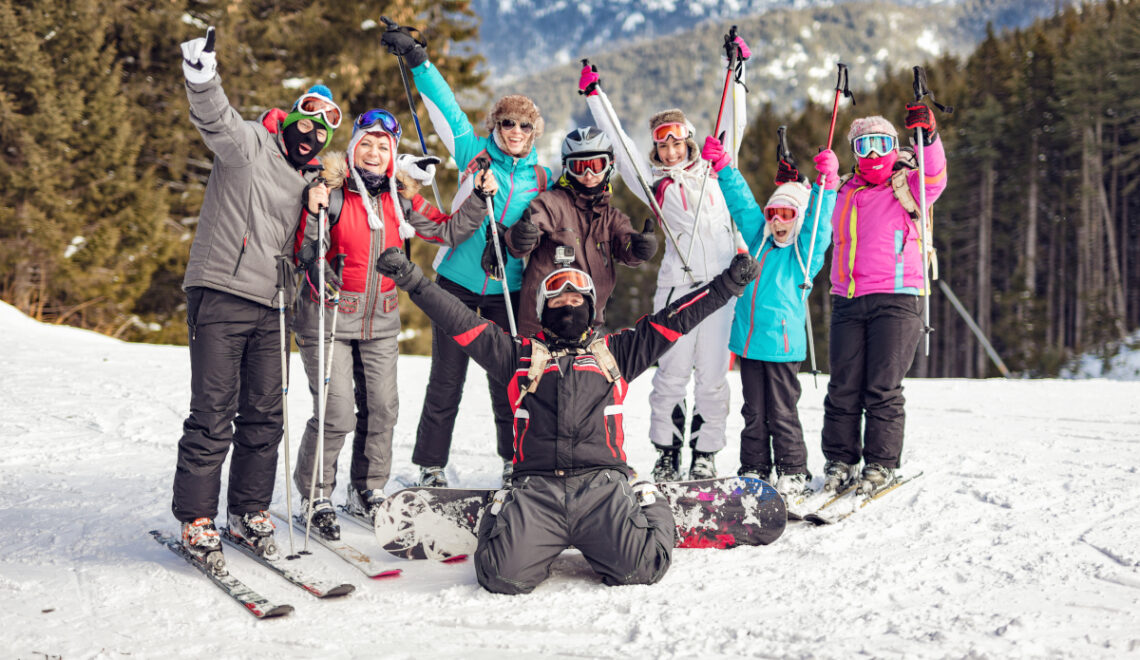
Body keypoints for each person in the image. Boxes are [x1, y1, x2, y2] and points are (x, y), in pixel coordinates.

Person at [375, 246, 760, 595]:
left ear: (591, 308)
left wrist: (727, 285)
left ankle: (645, 498)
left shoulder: (617, 353)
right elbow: (459, 320)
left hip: (602, 487)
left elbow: (676, 319)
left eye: (577, 298)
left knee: (643, 568)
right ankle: (505, 508)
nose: (568, 304)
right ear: (543, 311)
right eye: (558, 299)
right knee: (499, 576)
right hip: (537, 489)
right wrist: (412, 278)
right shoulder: (517, 356)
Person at [171, 28, 339, 563]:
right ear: (289, 118)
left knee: (265, 414)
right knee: (213, 412)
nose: (311, 136)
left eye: (322, 132)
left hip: (273, 304)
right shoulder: (248, 146)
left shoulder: (311, 183)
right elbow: (214, 116)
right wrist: (202, 74)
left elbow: (313, 251)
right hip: (220, 291)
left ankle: (247, 510)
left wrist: (318, 212)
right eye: (306, 122)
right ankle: (198, 519)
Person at [290, 109, 491, 538]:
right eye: (367, 143)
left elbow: (448, 230)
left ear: (393, 154)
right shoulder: (332, 191)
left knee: (382, 409)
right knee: (336, 412)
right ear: (353, 147)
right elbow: (307, 247)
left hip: (379, 319)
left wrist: (476, 196)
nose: (375, 152)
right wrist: (314, 241)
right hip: (327, 317)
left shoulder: (400, 199)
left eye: (384, 146)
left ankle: (366, 489)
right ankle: (315, 494)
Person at [381, 24, 553, 489]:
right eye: (507, 123)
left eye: (524, 126)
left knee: (506, 382)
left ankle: (514, 461)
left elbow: (556, 224)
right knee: (446, 380)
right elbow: (447, 111)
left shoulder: (543, 176)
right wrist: (419, 59)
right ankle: (431, 466)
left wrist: (525, 239)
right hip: (456, 283)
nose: (514, 131)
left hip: (508, 291)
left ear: (534, 133)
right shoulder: (473, 154)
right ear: (494, 127)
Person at [578, 47, 748, 481]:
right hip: (678, 288)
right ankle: (668, 451)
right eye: (662, 142)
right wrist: (595, 96)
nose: (670, 150)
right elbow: (620, 140)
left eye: (676, 140)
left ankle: (706, 452)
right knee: (670, 372)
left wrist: (737, 71)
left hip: (723, 288)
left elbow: (733, 122)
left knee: (712, 376)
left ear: (687, 138)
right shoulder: (654, 184)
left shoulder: (715, 169)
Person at [700, 135, 839, 498]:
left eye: (787, 215)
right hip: (749, 344)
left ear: (798, 219)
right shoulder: (759, 240)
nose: (778, 221)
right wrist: (724, 167)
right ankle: (755, 468)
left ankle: (793, 470)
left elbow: (820, 228)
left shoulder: (803, 257)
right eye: (773, 214)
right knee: (753, 413)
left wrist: (826, 187)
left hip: (781, 348)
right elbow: (743, 203)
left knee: (781, 413)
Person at [821, 105, 948, 494]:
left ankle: (880, 463)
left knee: (882, 386)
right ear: (855, 152)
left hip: (897, 298)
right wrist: (821, 182)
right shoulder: (843, 189)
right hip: (848, 298)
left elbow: (935, 176)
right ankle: (840, 460)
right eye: (865, 145)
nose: (874, 154)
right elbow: (814, 220)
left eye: (882, 144)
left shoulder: (908, 184)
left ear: (894, 147)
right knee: (842, 386)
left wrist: (928, 137)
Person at [503, 126, 657, 337]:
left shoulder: (611, 218)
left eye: (596, 165)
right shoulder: (551, 204)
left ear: (609, 165)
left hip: (587, 327)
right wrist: (521, 237)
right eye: (579, 167)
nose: (588, 175)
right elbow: (529, 230)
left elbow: (626, 246)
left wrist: (640, 248)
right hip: (541, 327)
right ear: (567, 168)